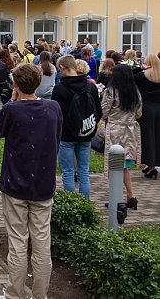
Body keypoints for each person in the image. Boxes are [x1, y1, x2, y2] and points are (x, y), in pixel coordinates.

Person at [0, 63, 62, 299]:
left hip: (15, 185)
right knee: (41, 243)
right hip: (43, 184)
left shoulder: (12, 109)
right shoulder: (52, 108)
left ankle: (14, 294)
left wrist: (13, 101)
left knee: (18, 242)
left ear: (16, 85)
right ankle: (40, 295)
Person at [52, 55, 101, 198]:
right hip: (86, 133)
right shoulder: (90, 86)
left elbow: (56, 114)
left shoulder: (60, 88)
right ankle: (85, 204)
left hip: (66, 135)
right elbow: (98, 111)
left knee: (68, 172)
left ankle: (72, 204)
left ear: (62, 67)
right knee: (84, 172)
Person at [101, 64, 142, 208]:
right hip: (130, 130)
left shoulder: (110, 91)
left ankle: (117, 198)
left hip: (115, 130)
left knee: (114, 165)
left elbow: (104, 112)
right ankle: (131, 196)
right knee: (124, 166)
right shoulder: (135, 92)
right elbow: (139, 113)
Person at [136, 53, 160, 179]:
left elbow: (129, 76)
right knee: (157, 137)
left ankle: (151, 166)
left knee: (148, 138)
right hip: (158, 107)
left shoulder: (141, 77)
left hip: (146, 108)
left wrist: (139, 68)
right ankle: (153, 163)